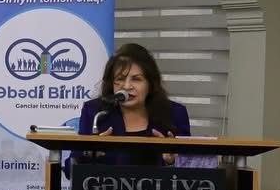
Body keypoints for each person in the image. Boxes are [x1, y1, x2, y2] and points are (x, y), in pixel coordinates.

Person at [72, 43, 191, 171]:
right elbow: (70, 169)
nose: (127, 86)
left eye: (136, 79)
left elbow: (193, 168)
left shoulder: (175, 113)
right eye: (120, 79)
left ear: (150, 83)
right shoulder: (95, 112)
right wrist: (88, 153)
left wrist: (172, 162)